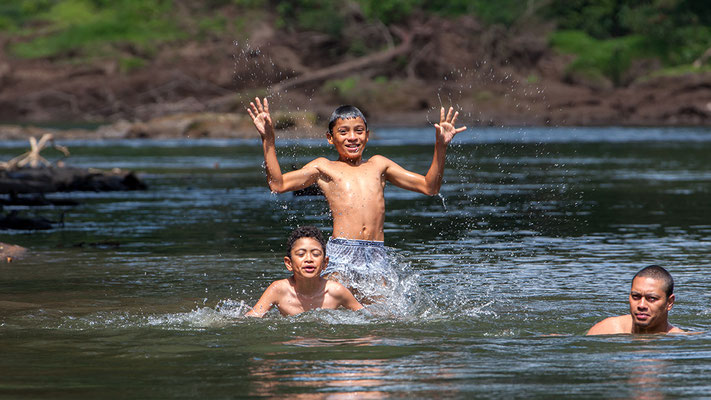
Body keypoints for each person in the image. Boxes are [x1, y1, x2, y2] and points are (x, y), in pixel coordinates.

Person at [247, 98, 466, 292]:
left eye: (359, 131)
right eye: (343, 132)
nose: (352, 137)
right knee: (336, 311)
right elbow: (278, 184)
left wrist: (440, 146)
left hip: (376, 253)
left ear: (367, 136)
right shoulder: (324, 168)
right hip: (342, 252)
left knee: (383, 317)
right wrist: (268, 139)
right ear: (330, 138)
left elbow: (430, 187)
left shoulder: (380, 165)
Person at [245, 225, 363, 317]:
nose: (309, 259)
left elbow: (368, 317)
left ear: (325, 263)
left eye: (316, 254)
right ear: (289, 263)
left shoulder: (336, 291)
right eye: (301, 254)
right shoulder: (278, 290)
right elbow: (252, 318)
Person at [586, 265, 683, 335]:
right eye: (636, 296)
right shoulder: (607, 330)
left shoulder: (679, 340)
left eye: (652, 298)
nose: (641, 305)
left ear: (669, 303)